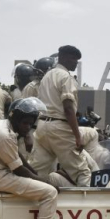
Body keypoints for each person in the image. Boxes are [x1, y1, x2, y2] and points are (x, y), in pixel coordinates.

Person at [29, 45, 91, 186]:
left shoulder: (47, 76)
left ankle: (25, 205)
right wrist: (77, 135)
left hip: (42, 126)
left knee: (36, 172)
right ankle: (85, 205)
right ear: (63, 57)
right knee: (82, 172)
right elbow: (68, 108)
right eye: (73, 58)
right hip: (60, 127)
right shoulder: (66, 77)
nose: (76, 62)